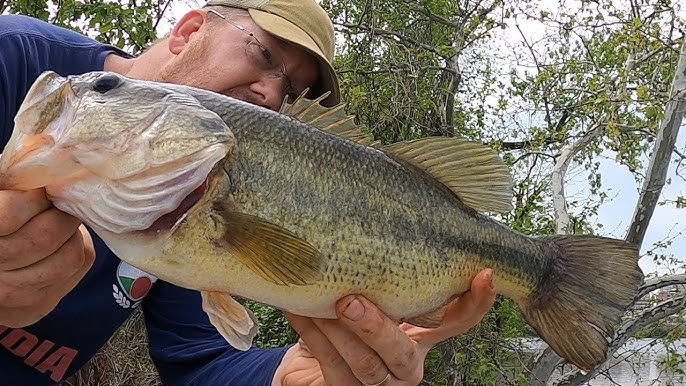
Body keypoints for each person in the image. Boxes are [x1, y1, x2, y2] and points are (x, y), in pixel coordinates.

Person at [0, 0, 497, 385]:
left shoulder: (189, 192)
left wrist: (290, 375)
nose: (272, 96)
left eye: (294, 94)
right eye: (264, 55)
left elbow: (198, 362)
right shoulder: (15, 60)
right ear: (190, 30)